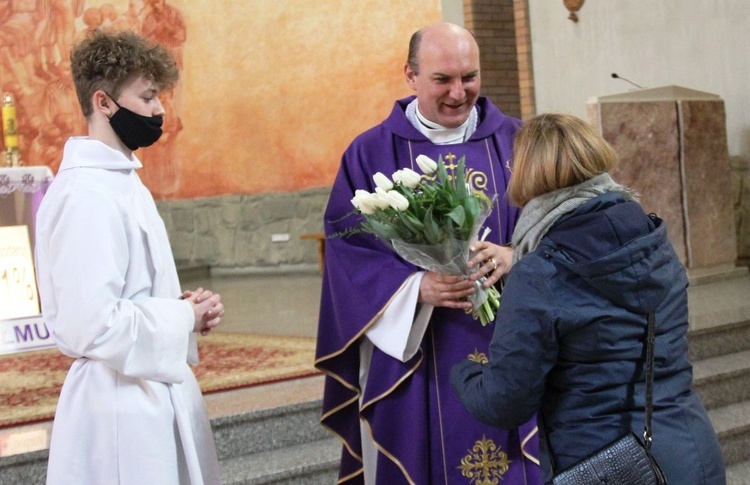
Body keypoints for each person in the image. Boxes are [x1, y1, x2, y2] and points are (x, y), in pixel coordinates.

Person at [316, 22, 541, 484]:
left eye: (470, 77)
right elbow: (348, 252)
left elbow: (563, 228)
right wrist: (416, 286)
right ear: (411, 75)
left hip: (514, 342)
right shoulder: (370, 153)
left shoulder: (522, 143)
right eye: (443, 80)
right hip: (419, 356)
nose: (460, 92)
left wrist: (515, 254)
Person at [451, 113, 726, 484]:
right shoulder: (656, 242)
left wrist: (463, 371)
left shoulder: (539, 273)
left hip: (608, 465)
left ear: (528, 172)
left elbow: (505, 401)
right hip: (690, 450)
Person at [34, 30, 224, 485]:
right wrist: (182, 317)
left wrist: (177, 304)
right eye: (147, 96)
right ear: (103, 103)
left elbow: (128, 292)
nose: (159, 110)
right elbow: (93, 323)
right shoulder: (87, 194)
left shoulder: (120, 181)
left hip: (145, 388)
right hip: (116, 406)